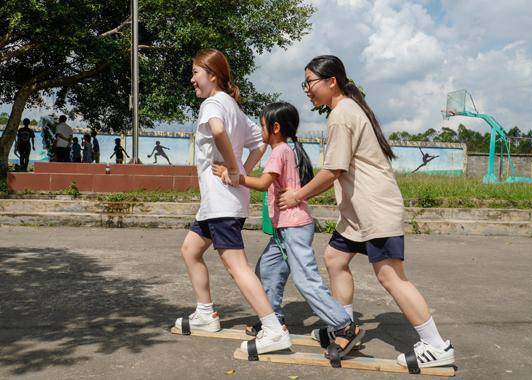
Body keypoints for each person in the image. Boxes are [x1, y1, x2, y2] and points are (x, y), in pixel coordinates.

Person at [278, 55, 455, 371]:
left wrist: (297, 196)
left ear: (331, 81)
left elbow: (333, 169)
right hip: (357, 214)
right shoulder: (343, 110)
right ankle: (344, 327)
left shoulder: (342, 115)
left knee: (390, 276)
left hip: (375, 210)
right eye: (304, 83)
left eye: (310, 82)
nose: (306, 88)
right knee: (335, 258)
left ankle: (436, 344)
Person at [212, 102, 365, 364]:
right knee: (267, 271)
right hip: (285, 230)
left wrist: (232, 175)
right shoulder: (290, 148)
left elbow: (262, 183)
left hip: (294, 228)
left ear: (275, 127)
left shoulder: (280, 150)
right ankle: (274, 320)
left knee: (306, 280)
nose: (260, 130)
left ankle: (344, 326)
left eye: (262, 125)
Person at [173, 48, 291, 356]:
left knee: (237, 266)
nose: (192, 79)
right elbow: (261, 140)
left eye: (196, 73)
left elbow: (218, 130)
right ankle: (205, 314)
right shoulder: (234, 107)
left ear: (212, 76)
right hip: (219, 202)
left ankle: (273, 328)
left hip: (222, 202)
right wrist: (243, 171)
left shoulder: (214, 103)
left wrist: (235, 169)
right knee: (190, 249)